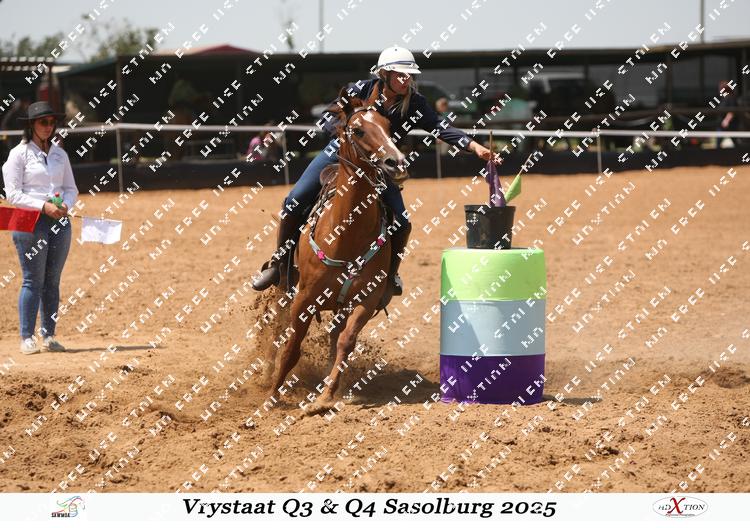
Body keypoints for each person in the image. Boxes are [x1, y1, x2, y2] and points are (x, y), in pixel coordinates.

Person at [252, 46, 500, 296]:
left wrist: (475, 146)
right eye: (400, 75)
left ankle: (390, 276)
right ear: (384, 74)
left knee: (401, 221)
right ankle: (279, 265)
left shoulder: (415, 103)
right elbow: (328, 118)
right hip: (341, 152)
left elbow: (439, 126)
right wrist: (348, 133)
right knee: (294, 200)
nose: (406, 80)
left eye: (409, 75)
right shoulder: (359, 89)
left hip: (381, 164)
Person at [2, 101, 78, 355]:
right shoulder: (18, 154)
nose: (48, 127)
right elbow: (13, 194)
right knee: (33, 280)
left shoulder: (60, 154)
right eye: (43, 122)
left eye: (52, 122)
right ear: (31, 125)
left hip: (59, 221)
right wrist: (43, 206)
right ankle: (26, 337)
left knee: (52, 281)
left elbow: (71, 188)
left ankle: (49, 335)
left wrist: (65, 205)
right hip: (29, 221)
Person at [717, 80, 740, 148]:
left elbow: (732, 111)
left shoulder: (731, 98)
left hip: (730, 125)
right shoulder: (724, 98)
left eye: (720, 88)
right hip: (722, 125)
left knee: (734, 142)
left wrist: (726, 120)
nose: (719, 90)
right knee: (718, 142)